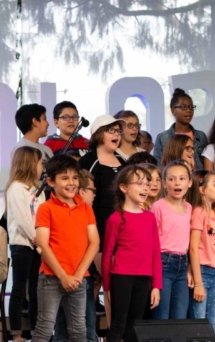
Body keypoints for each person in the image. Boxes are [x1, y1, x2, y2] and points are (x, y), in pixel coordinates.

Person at [31, 155, 100, 342]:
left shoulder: (85, 209)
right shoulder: (46, 208)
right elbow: (43, 244)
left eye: (75, 178)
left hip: (78, 279)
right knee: (45, 328)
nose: (71, 183)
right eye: (64, 178)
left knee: (79, 330)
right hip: (51, 277)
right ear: (51, 181)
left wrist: (78, 274)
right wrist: (63, 276)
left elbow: (94, 242)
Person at [102, 165, 161, 342]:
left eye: (147, 183)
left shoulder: (150, 217)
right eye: (140, 183)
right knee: (118, 324)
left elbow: (155, 253)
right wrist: (107, 288)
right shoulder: (116, 218)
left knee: (135, 326)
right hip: (122, 277)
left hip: (143, 278)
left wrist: (156, 285)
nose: (145, 187)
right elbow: (106, 256)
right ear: (124, 187)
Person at [78, 114, 128, 326]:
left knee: (117, 286)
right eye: (111, 130)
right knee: (101, 282)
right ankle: (88, 332)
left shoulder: (125, 160)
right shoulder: (89, 161)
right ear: (99, 134)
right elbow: (83, 200)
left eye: (118, 130)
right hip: (98, 232)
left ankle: (113, 332)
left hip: (124, 233)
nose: (116, 134)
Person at [53, 169, 99, 342]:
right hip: (68, 276)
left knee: (81, 325)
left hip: (81, 274)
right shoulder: (70, 212)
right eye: (92, 190)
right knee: (76, 326)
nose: (95, 195)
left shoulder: (86, 212)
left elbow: (94, 242)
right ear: (81, 191)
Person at [5, 147, 45, 341]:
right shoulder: (15, 188)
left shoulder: (37, 190)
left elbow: (42, 216)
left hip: (38, 245)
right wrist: (36, 239)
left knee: (36, 291)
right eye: (40, 163)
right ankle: (17, 333)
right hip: (22, 245)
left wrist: (41, 240)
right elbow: (22, 219)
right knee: (20, 289)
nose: (42, 167)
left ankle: (38, 331)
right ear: (30, 164)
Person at [187, 171, 215, 341]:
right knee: (200, 322)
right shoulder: (199, 212)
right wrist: (198, 282)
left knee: (214, 322)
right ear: (202, 189)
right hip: (202, 272)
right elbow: (194, 248)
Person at [150, 160, 193, 319]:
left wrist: (189, 268)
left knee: (180, 317)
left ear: (189, 183)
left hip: (183, 263)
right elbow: (152, 241)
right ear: (164, 183)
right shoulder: (158, 207)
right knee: (162, 316)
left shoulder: (189, 207)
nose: (177, 183)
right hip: (163, 263)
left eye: (182, 178)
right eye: (172, 179)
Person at [153, 88, 208, 170]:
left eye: (191, 107)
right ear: (173, 111)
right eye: (183, 107)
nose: (189, 110)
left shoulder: (201, 136)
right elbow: (158, 166)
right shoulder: (162, 137)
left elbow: (205, 164)